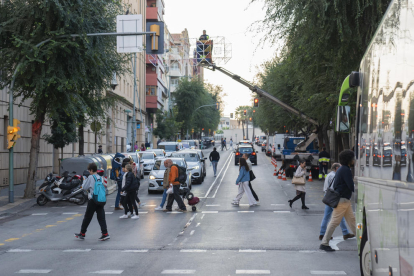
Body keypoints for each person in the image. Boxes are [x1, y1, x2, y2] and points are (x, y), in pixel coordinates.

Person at [320, 150, 357, 252]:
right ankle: (324, 243)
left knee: (352, 220)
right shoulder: (346, 170)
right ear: (349, 160)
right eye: (353, 158)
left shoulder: (342, 169)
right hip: (342, 200)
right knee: (334, 222)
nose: (354, 160)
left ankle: (361, 240)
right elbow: (350, 186)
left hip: (344, 200)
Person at [319, 163, 354, 241]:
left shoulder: (329, 175)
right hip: (334, 197)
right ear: (337, 168)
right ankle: (345, 233)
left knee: (327, 217)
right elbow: (335, 187)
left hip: (328, 196)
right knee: (338, 217)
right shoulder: (334, 176)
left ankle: (322, 233)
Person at [75, 163, 109, 241]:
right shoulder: (100, 177)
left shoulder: (90, 177)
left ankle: (82, 233)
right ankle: (105, 233)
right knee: (101, 217)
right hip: (100, 199)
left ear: (91, 170)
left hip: (93, 199)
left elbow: (84, 187)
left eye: (89, 170)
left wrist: (84, 180)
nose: (89, 172)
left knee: (87, 217)